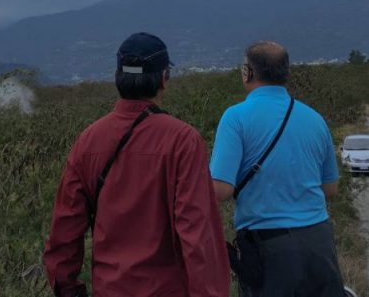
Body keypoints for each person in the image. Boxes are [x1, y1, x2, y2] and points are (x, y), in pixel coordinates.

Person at [43, 32, 230, 297]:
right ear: (164, 78)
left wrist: (68, 288)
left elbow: (65, 229)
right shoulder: (183, 141)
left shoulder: (88, 141)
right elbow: (198, 234)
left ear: (118, 77)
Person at [209, 41, 344, 297]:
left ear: (247, 72)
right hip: (319, 241)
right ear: (287, 73)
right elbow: (330, 187)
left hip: (267, 247)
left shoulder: (235, 117)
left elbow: (220, 189)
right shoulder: (315, 119)